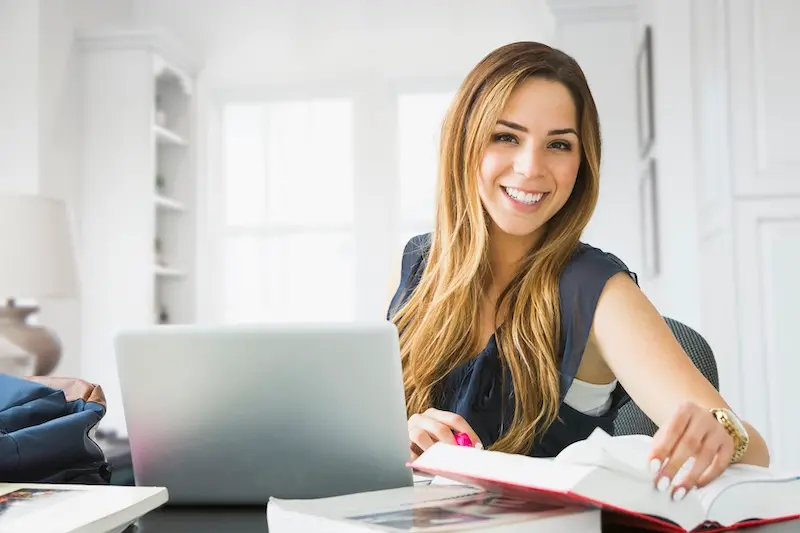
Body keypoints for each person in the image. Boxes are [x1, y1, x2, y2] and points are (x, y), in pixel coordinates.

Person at [386, 41, 769, 502]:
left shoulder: (598, 290)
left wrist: (725, 433)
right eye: (506, 136)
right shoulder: (419, 265)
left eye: (559, 145)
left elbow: (753, 451)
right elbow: (385, 433)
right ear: (465, 141)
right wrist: (406, 435)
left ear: (580, 163)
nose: (530, 167)